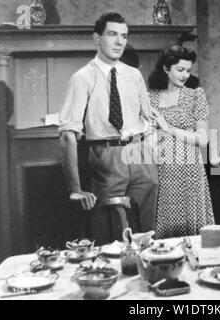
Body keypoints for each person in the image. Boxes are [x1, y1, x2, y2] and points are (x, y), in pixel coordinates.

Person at [59, 12, 158, 245]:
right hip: (107, 157)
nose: (119, 42)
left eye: (124, 36)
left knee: (146, 234)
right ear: (97, 38)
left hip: (141, 154)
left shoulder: (134, 75)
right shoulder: (82, 78)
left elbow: (150, 117)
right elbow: (67, 135)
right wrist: (75, 188)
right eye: (112, 34)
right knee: (113, 235)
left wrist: (150, 150)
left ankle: (145, 279)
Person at [147, 45, 215, 239]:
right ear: (166, 68)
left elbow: (203, 139)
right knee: (165, 225)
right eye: (180, 70)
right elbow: (148, 134)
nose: (185, 75)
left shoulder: (195, 95)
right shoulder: (150, 98)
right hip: (162, 168)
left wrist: (168, 128)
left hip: (190, 169)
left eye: (188, 70)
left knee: (192, 230)